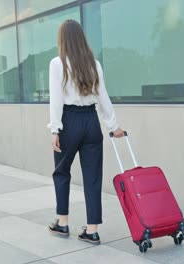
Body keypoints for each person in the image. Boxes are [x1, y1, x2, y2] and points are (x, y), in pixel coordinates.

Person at [47, 19, 124, 245]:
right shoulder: (94, 63)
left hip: (69, 121)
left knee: (61, 172)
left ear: (62, 39)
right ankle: (92, 230)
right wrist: (113, 126)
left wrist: (55, 129)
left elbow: (56, 100)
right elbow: (103, 97)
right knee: (93, 178)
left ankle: (62, 223)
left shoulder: (57, 63)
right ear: (81, 37)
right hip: (91, 122)